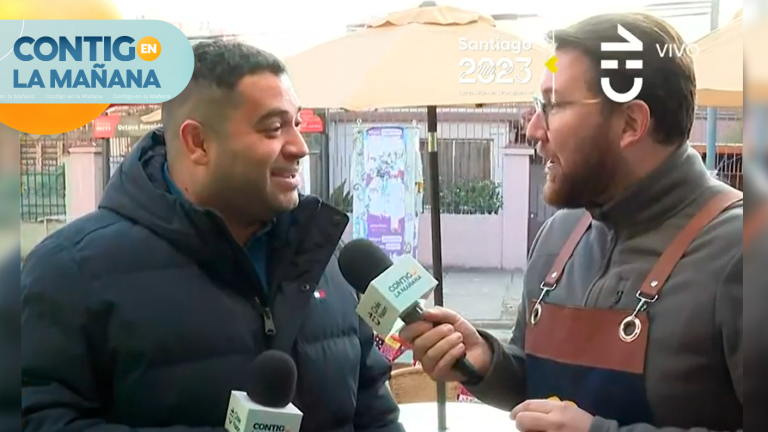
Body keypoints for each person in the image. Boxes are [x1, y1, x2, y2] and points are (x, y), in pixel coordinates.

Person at [20, 40, 403, 432]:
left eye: (297, 124)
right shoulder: (70, 270)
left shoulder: (323, 255)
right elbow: (40, 417)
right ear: (198, 143)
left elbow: (373, 409)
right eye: (273, 128)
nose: (300, 147)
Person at [399, 13, 746, 432]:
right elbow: (541, 389)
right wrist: (488, 363)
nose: (532, 129)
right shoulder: (558, 237)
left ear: (631, 124)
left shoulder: (743, 250)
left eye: (554, 106)